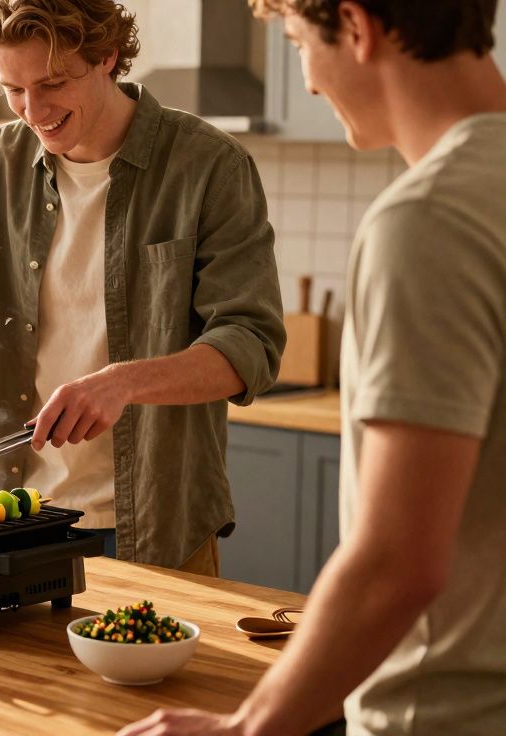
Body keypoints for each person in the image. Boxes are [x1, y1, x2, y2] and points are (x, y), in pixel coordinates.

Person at [121, 1, 506, 734]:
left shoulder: (428, 221)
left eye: (297, 43)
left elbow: (397, 565)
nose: (309, 81)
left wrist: (247, 728)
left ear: (357, 29)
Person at [0, 0, 285, 573]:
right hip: (10, 520)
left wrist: (123, 383)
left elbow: (251, 343)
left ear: (107, 56)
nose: (33, 111)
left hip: (158, 524)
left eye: (52, 83)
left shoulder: (209, 167)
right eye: (13, 89)